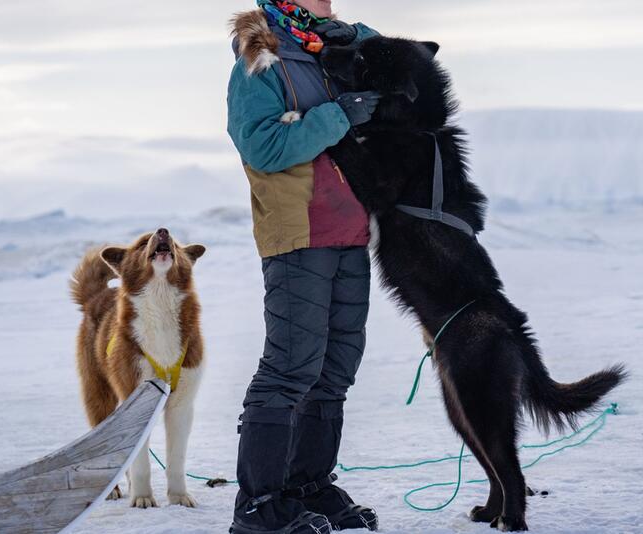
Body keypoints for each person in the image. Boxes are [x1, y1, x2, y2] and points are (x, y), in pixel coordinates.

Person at [226, 1, 382, 533]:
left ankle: (307, 486)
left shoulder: (343, 44)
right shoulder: (261, 57)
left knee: (336, 368)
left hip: (353, 228)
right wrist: (340, 115)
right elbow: (263, 146)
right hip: (299, 231)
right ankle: (258, 505)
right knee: (292, 366)